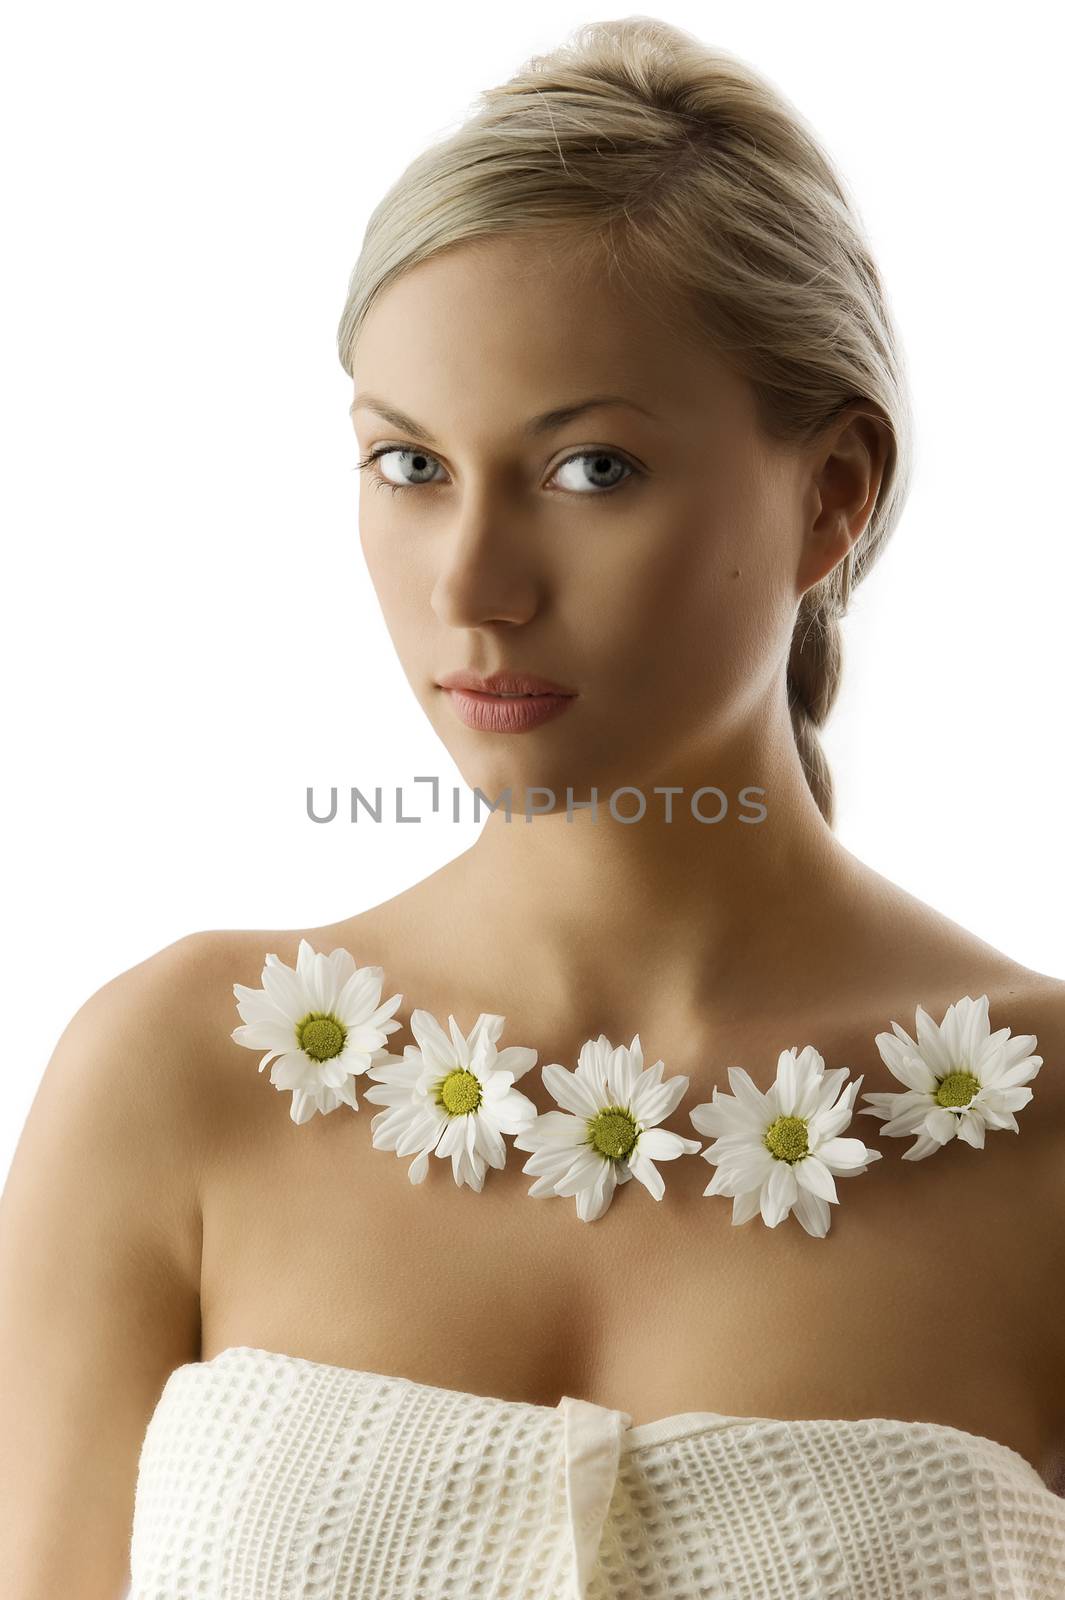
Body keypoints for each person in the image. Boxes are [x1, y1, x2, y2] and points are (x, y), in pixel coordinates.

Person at [2, 16, 1063, 1598]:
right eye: (409, 465)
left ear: (831, 494)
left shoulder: (1045, 1140)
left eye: (591, 473)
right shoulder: (172, 1082)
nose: (471, 587)